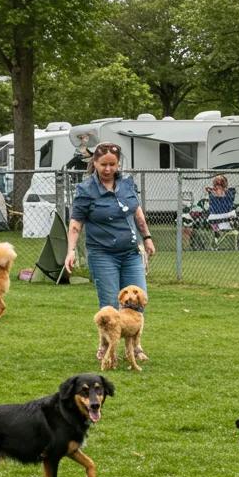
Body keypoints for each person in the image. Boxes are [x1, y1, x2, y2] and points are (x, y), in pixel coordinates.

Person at [64, 141, 155, 362]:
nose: (108, 169)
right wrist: (71, 251)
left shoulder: (126, 184)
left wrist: (147, 237)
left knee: (138, 301)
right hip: (102, 254)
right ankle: (105, 346)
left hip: (131, 252)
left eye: (112, 164)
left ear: (118, 164)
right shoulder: (85, 190)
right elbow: (76, 224)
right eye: (103, 164)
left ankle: (135, 346)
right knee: (110, 305)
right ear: (94, 163)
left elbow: (137, 213)